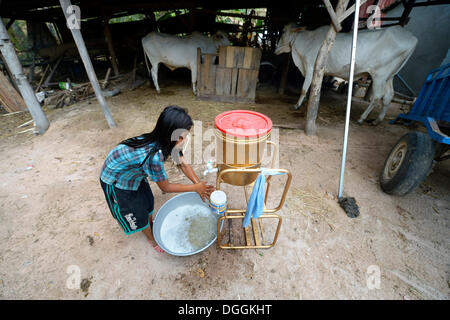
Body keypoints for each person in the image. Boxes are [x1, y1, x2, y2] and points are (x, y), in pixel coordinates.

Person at [99, 106, 214, 252]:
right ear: (173, 136)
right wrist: (194, 188)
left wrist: (199, 186)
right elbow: (165, 188)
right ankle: (152, 239)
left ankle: (150, 223)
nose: (184, 140)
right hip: (116, 181)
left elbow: (183, 165)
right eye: (183, 136)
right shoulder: (154, 157)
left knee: (147, 202)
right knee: (137, 213)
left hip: (134, 175)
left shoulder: (166, 141)